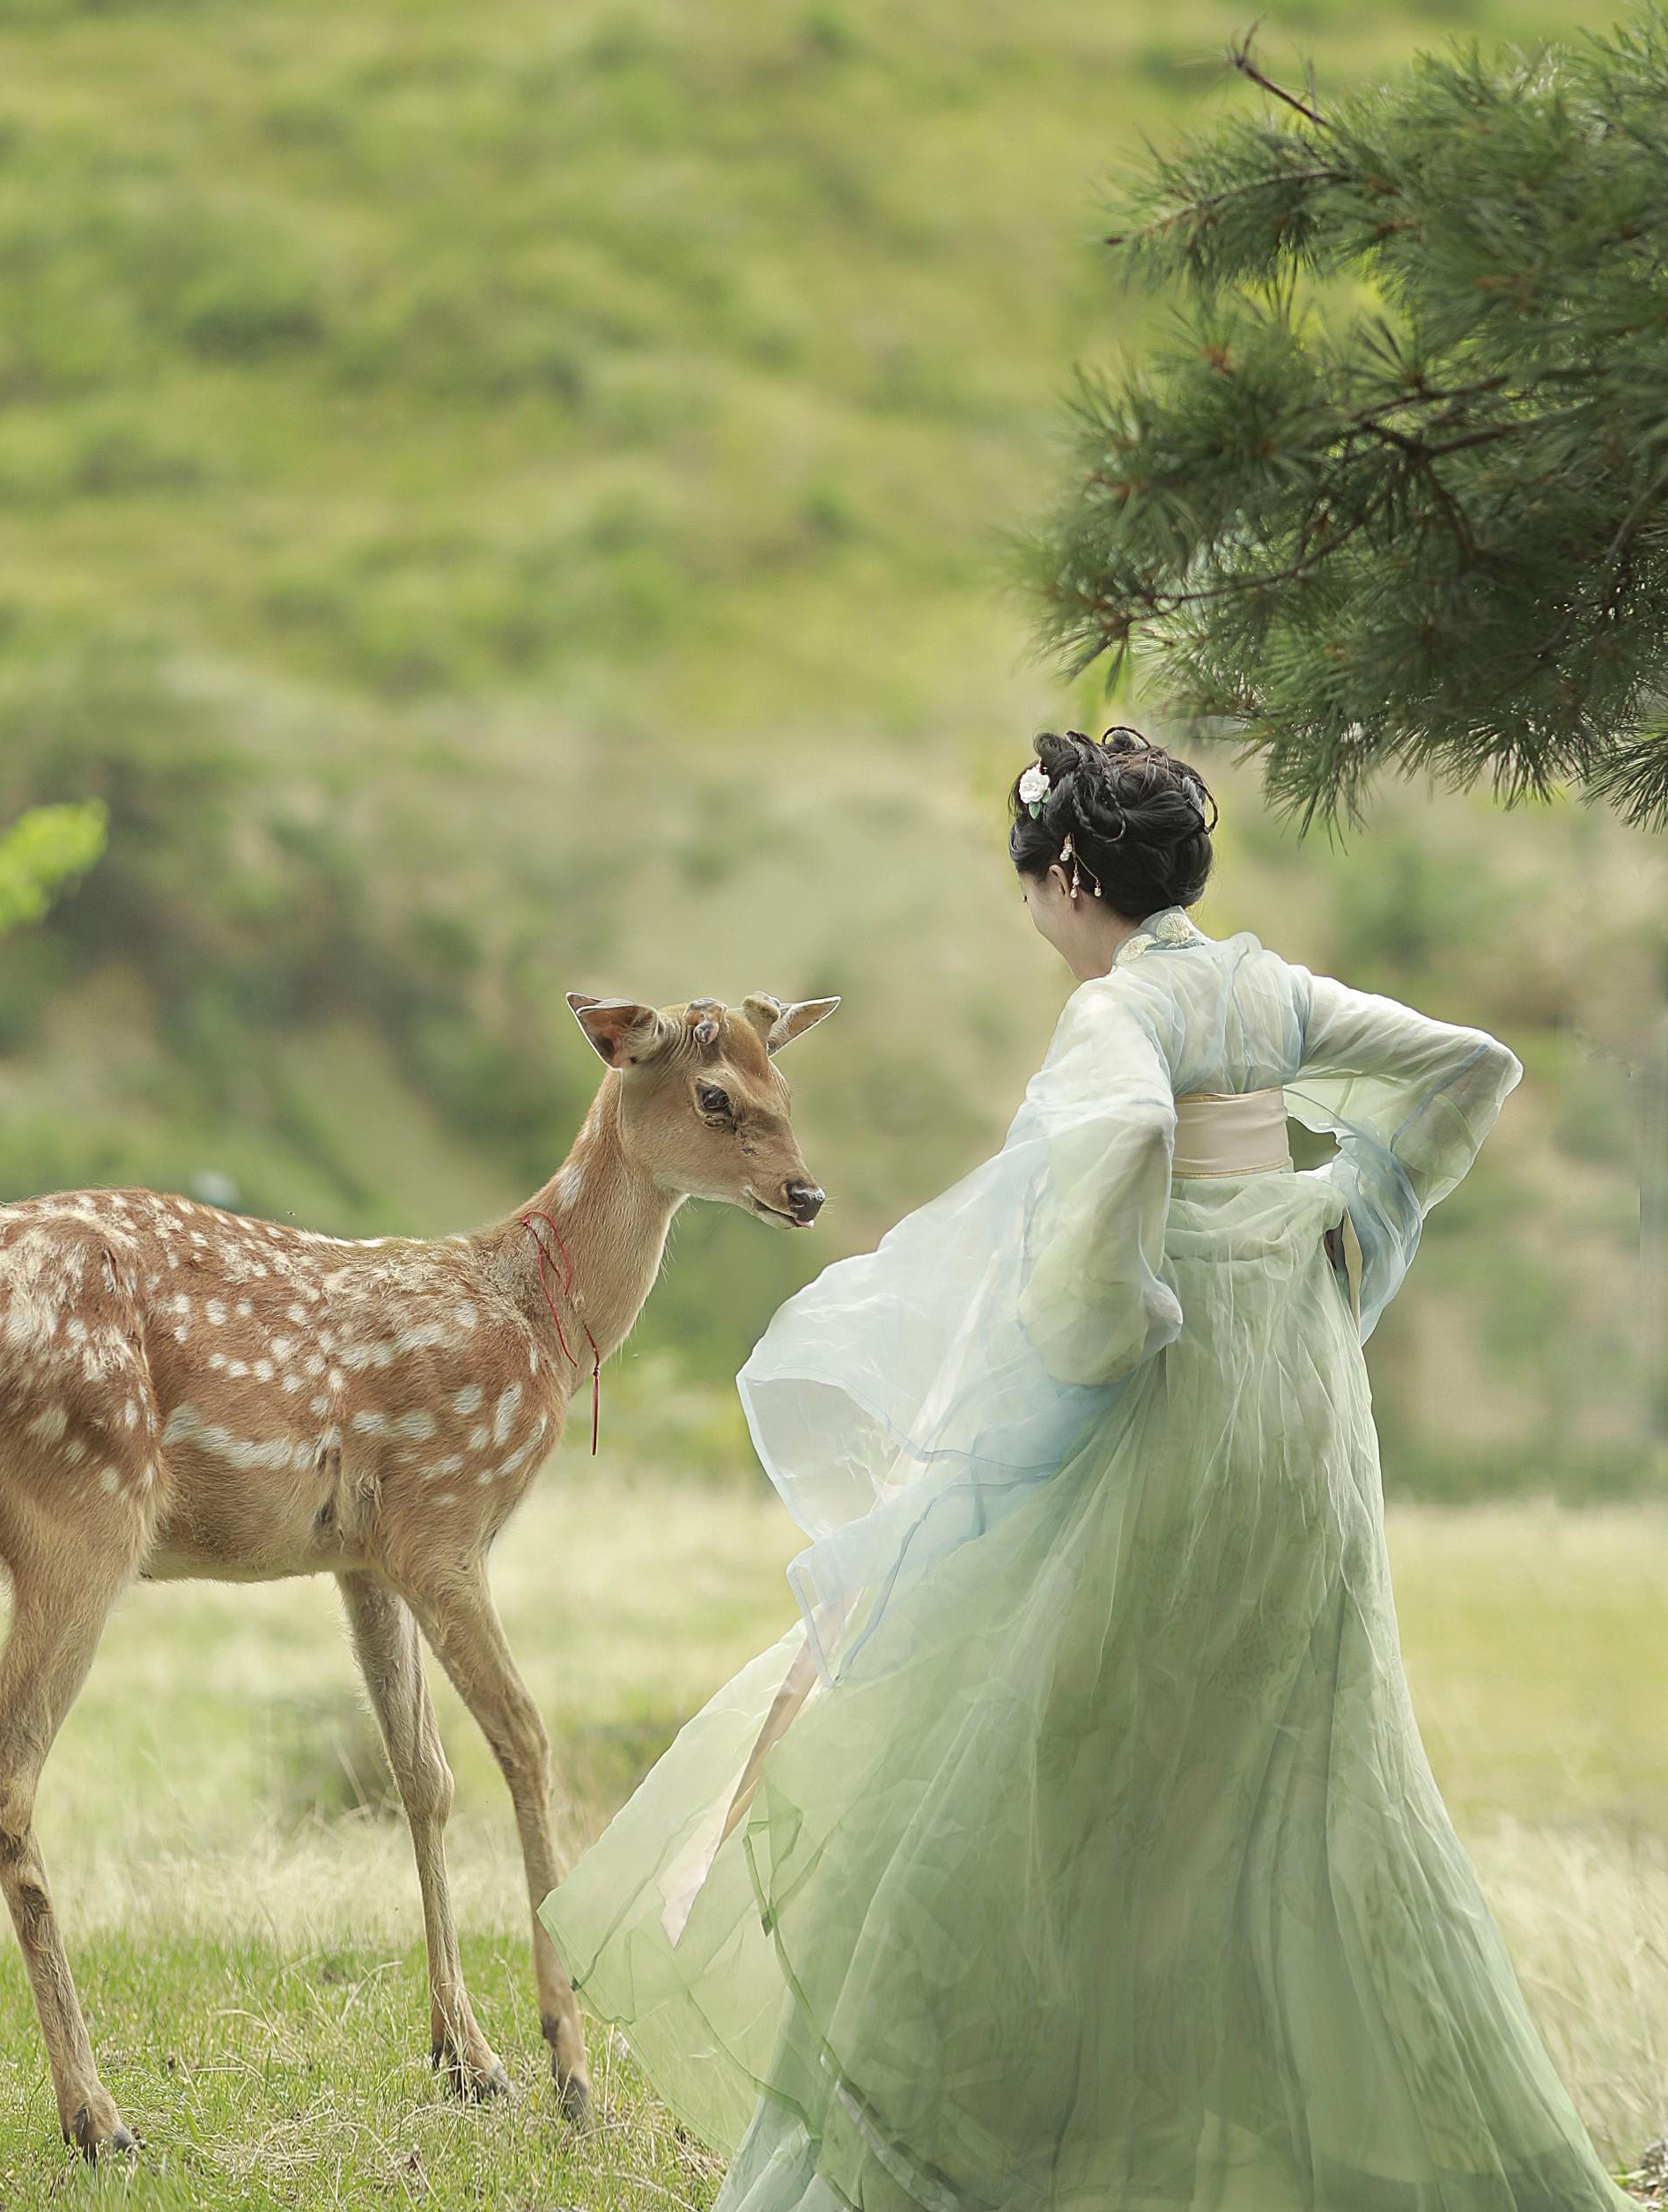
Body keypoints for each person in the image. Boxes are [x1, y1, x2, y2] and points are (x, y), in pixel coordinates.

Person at [540, 726, 1623, 2212]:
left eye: (1029, 880)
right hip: (1304, 1414)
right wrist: (1340, 1221)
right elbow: (1469, 1066)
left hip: (1168, 1414)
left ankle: (1010, 2155)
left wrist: (1107, 1323)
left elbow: (1118, 1151)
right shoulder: (1270, 991)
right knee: (1280, 1756)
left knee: (1042, 1768)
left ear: (1066, 875)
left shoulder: (1117, 1017)